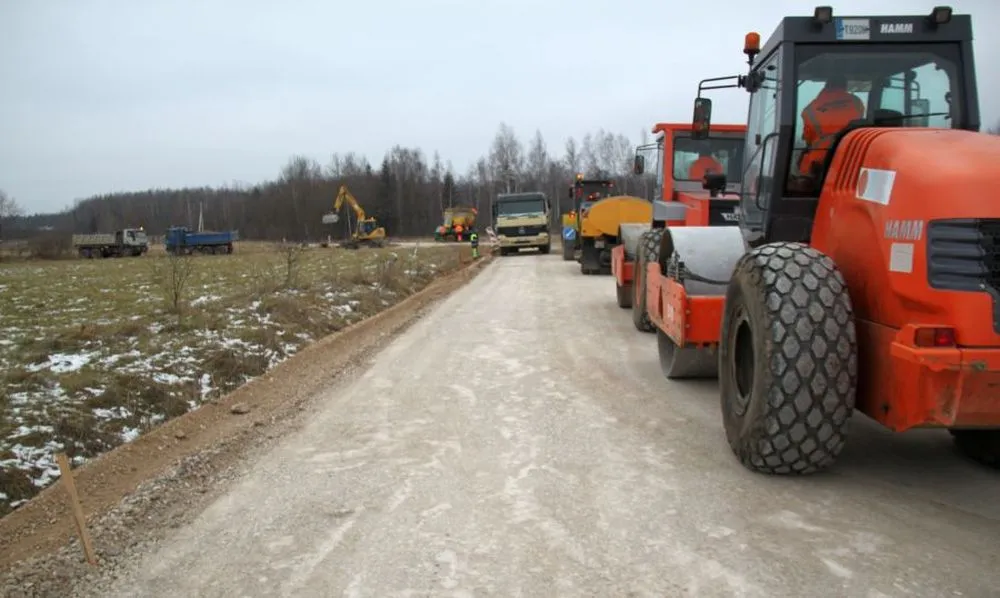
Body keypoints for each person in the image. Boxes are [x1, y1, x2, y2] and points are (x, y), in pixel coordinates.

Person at [798, 74, 865, 177]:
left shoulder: (809, 109)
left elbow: (808, 139)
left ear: (826, 86)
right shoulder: (856, 102)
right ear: (844, 86)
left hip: (820, 162)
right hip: (852, 156)